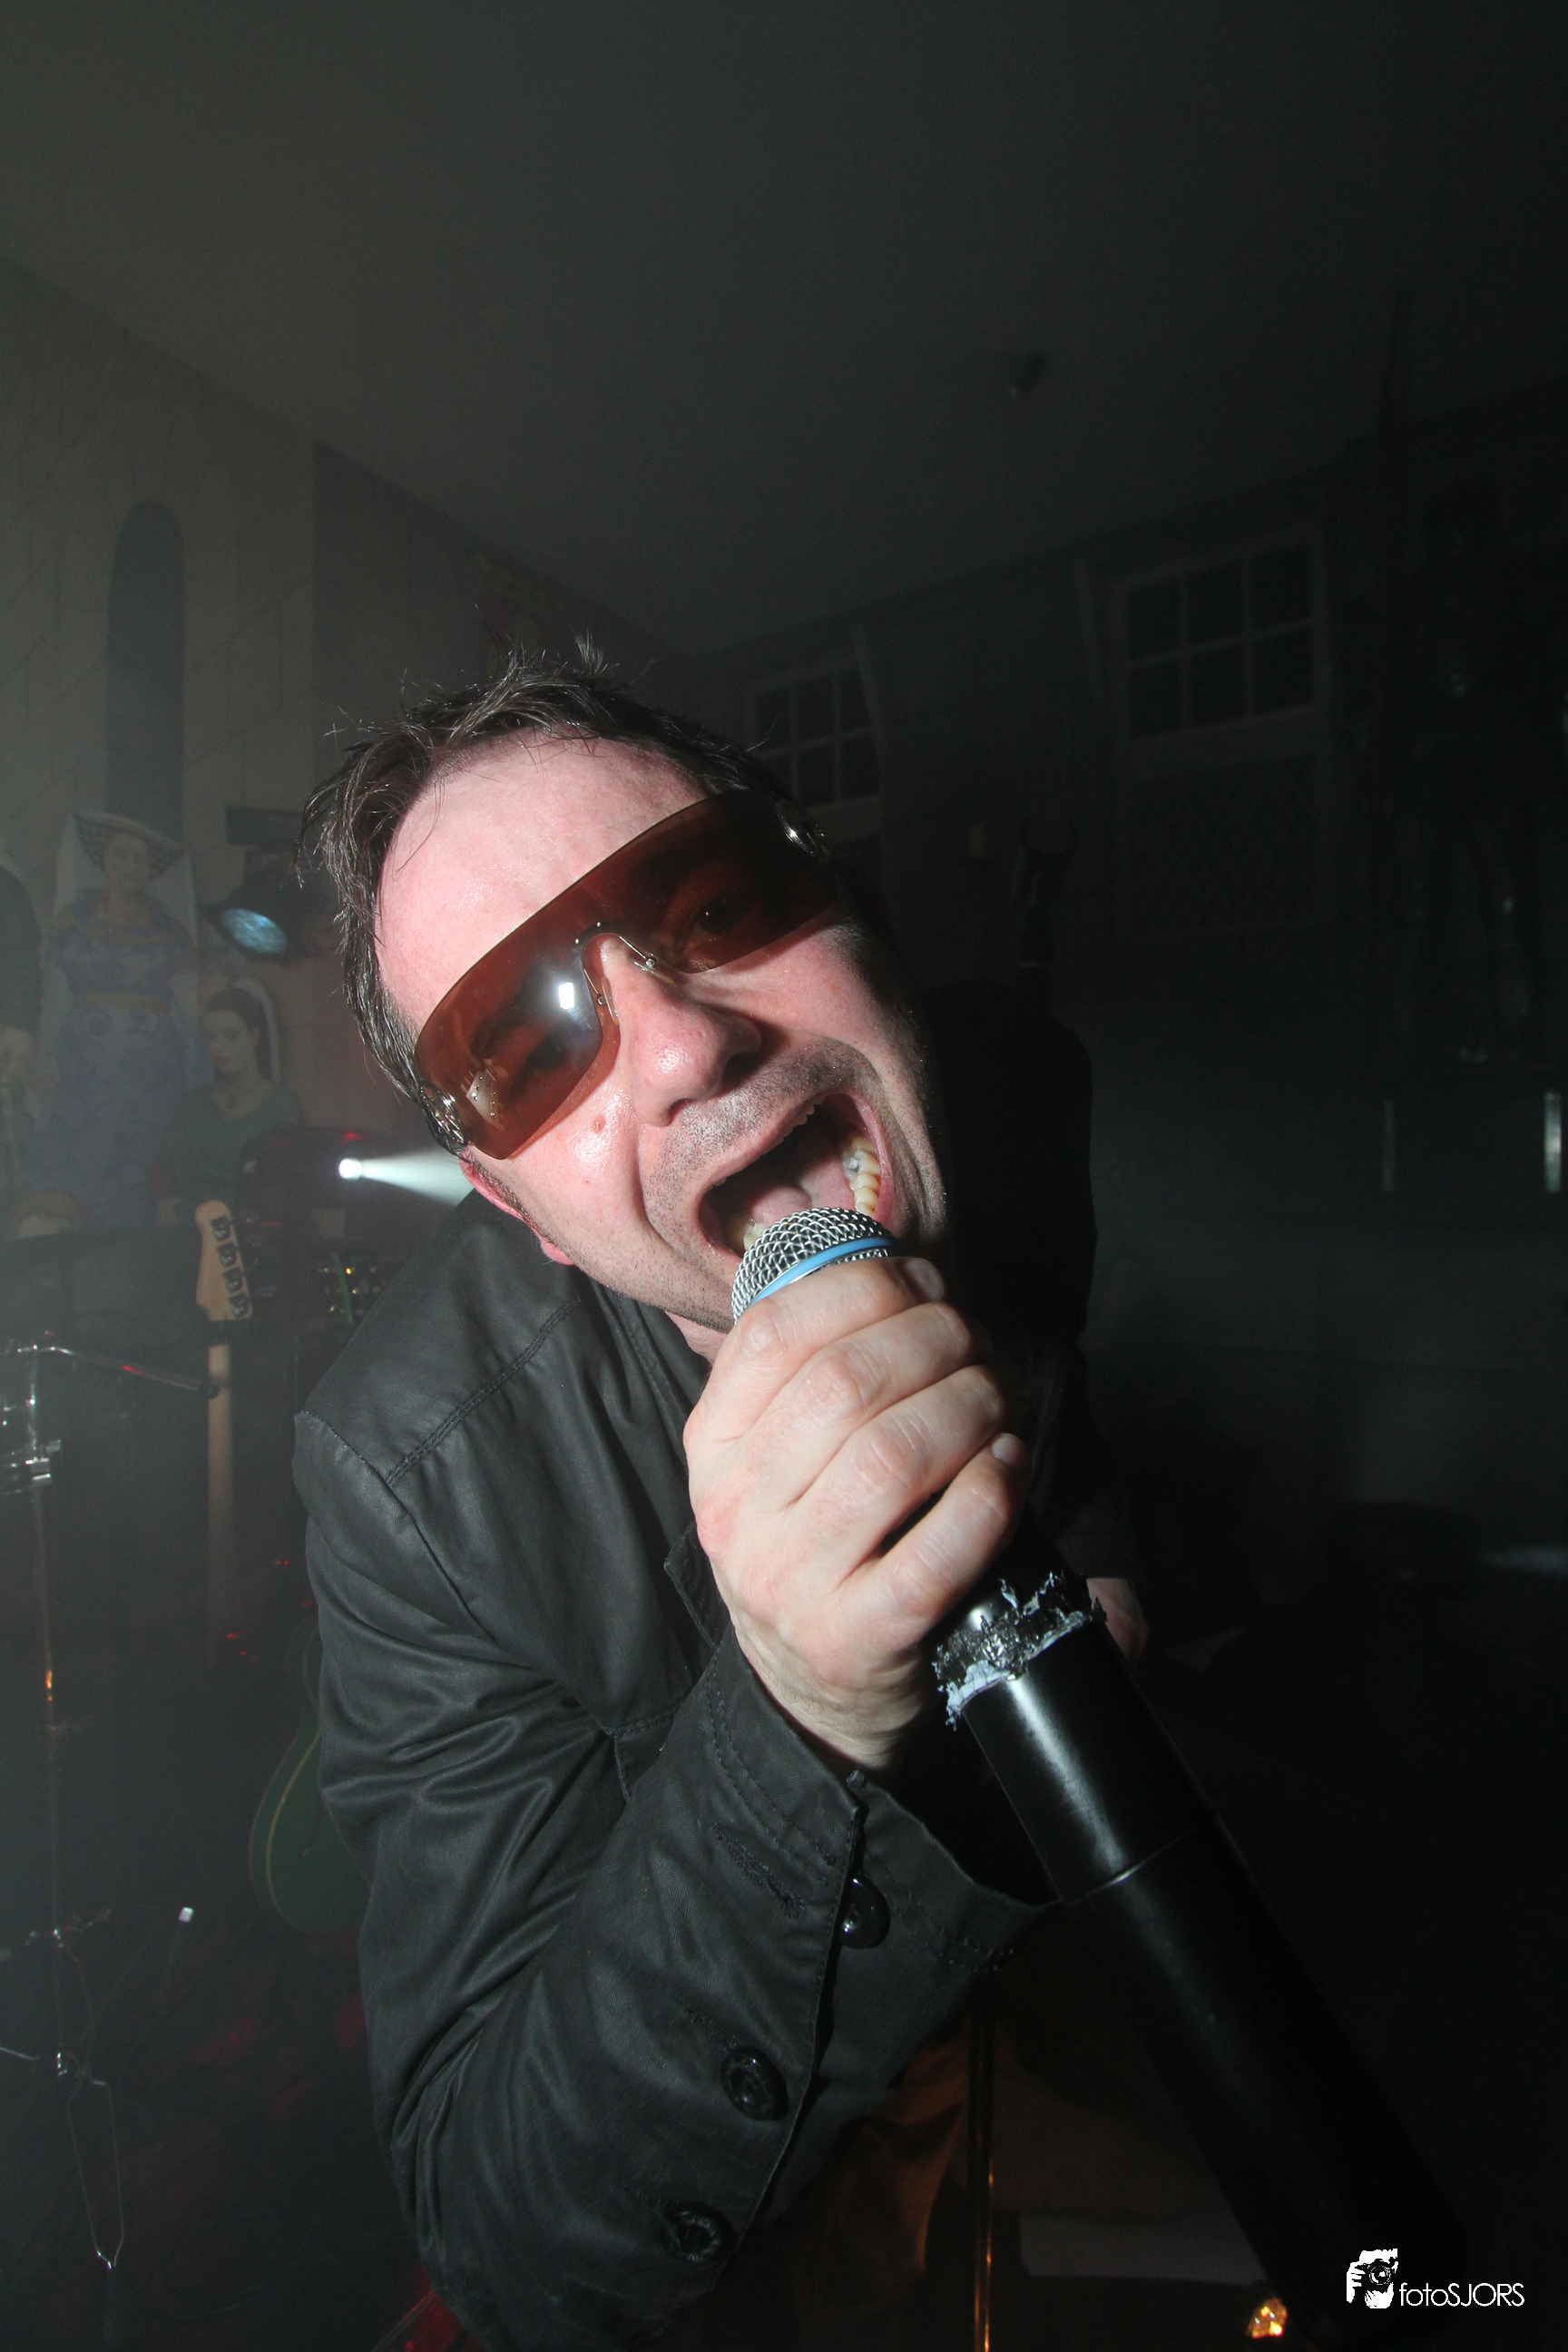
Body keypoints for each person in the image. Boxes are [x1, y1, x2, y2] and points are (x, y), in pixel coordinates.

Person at [295, 654, 1142, 2352]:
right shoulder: (413, 1476)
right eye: (522, 1046)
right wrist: (804, 1720)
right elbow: (503, 2240)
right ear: (510, 1205)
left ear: (855, 910)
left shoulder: (1014, 1112)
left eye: (712, 900)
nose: (686, 1042)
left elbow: (1075, 1426)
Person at [32, 813, 205, 1226]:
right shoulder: (73, 923)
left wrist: (198, 1081)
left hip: (151, 1081)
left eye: (139, 859)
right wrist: (43, 1065)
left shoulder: (170, 933)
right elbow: (53, 1001)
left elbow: (188, 1013)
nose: (130, 865)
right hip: (81, 1078)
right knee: (81, 1160)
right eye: (121, 855)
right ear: (103, 862)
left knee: (142, 1170)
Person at [152, 985, 300, 1223]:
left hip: (247, 1226)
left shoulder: (279, 1103)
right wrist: (165, 1204)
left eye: (231, 1036)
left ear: (253, 1037)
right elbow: (164, 1161)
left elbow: (287, 1176)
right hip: (191, 1222)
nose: (219, 1047)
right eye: (212, 1037)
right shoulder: (196, 1102)